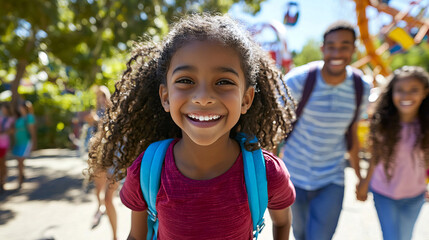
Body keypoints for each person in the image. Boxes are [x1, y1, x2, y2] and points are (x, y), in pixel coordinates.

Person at [87, 14, 297, 239]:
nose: (203, 97)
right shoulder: (146, 171)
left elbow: (283, 223)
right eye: (186, 80)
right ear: (165, 97)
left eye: (224, 82)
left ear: (246, 99)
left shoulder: (265, 173)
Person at [279, 20, 371, 240]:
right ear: (323, 49)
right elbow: (276, 127)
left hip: (332, 179)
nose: (337, 52)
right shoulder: (299, 81)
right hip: (294, 175)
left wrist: (360, 177)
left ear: (354, 49)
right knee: (300, 234)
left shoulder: (361, 88)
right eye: (331, 46)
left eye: (344, 46)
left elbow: (353, 135)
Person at [356, 66, 429, 240]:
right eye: (400, 90)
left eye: (413, 90)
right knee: (391, 237)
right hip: (384, 193)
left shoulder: (426, 125)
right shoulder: (383, 122)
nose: (406, 96)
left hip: (415, 195)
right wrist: (365, 183)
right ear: (391, 92)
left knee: (405, 236)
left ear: (425, 92)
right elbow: (376, 156)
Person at [89, 86, 120, 240]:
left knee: (109, 199)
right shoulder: (96, 112)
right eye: (98, 96)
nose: (101, 98)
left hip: (116, 160)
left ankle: (115, 236)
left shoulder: (115, 112)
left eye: (103, 95)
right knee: (98, 188)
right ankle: (99, 206)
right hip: (100, 157)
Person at [12, 102, 36, 189]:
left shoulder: (29, 117)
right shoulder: (18, 118)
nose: (19, 108)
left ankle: (20, 178)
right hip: (18, 142)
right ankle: (21, 175)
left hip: (26, 142)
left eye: (21, 106)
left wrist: (33, 142)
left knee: (21, 160)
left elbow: (32, 130)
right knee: (18, 161)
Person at [0, 102, 14, 192]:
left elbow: (12, 131)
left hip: (4, 143)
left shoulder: (11, 119)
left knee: (3, 163)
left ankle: (2, 181)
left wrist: (4, 132)